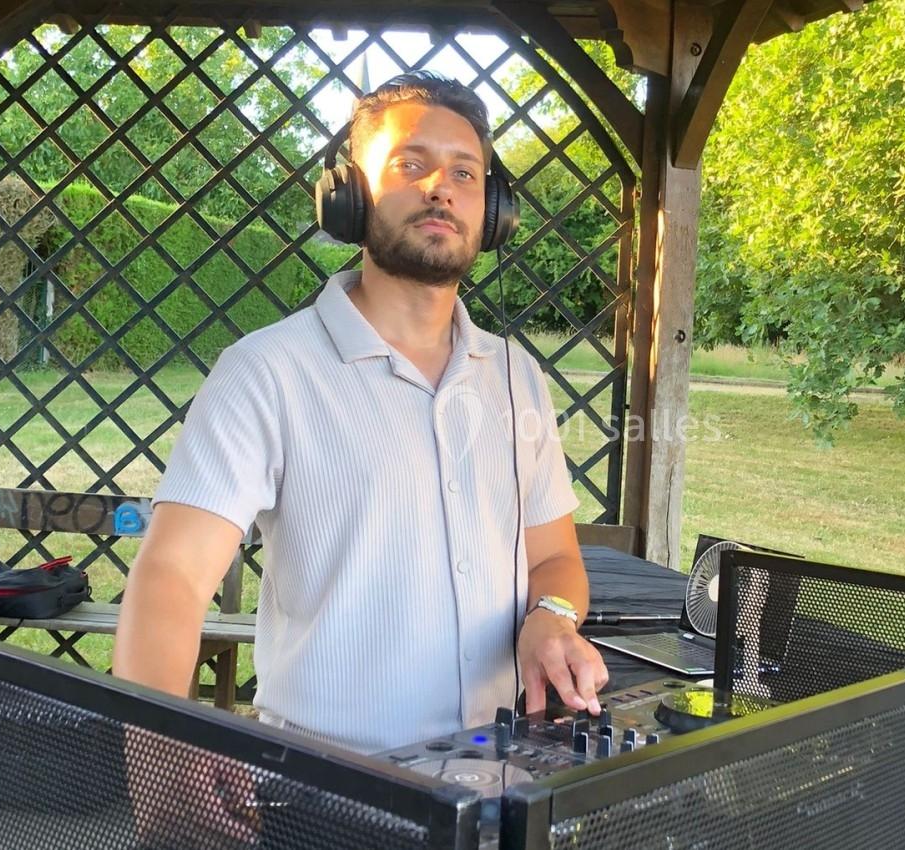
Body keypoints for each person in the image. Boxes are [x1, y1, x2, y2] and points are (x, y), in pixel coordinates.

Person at [111, 72, 609, 760]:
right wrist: (162, 753)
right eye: (410, 164)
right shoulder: (266, 371)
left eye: (464, 173)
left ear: (493, 210)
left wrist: (551, 617)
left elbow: (554, 557)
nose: (440, 188)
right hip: (324, 784)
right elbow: (172, 575)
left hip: (498, 775)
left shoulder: (516, 376)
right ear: (349, 194)